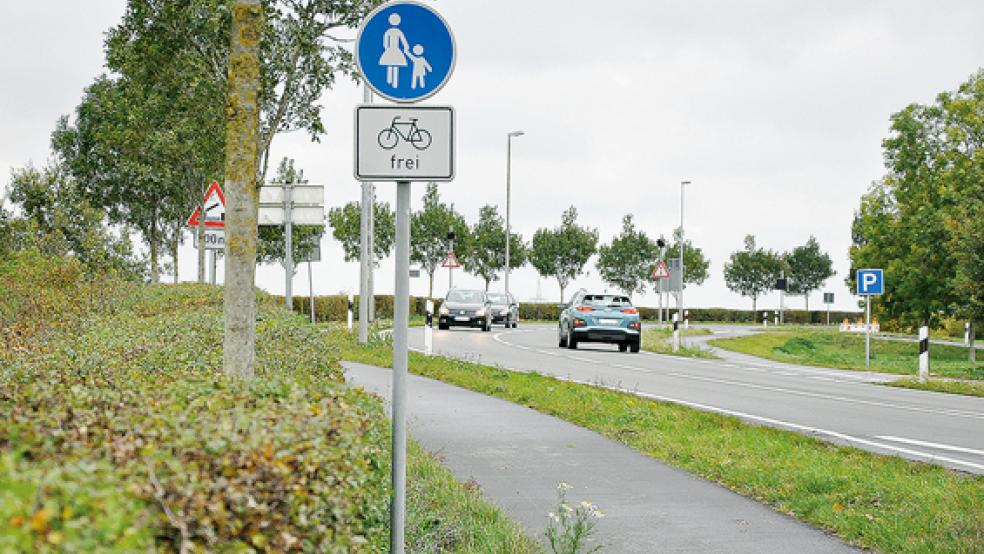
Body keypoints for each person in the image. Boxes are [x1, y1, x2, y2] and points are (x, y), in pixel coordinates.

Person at [379, 13, 409, 88]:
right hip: (394, 50)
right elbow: (403, 40)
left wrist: (386, 48)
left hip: (392, 49)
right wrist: (406, 46)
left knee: (392, 64)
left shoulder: (390, 31)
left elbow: (386, 41)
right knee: (394, 64)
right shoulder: (396, 31)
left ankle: (391, 82)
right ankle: (391, 82)